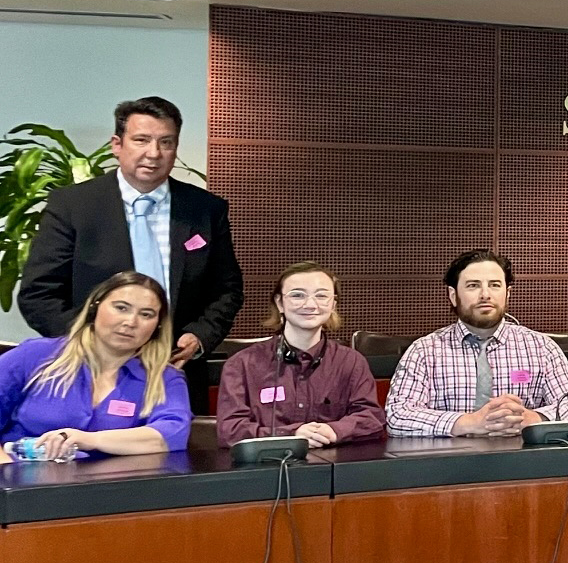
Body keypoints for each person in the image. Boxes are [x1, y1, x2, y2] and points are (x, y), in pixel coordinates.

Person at [20, 96, 243, 367]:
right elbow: (39, 294)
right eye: (141, 140)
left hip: (176, 367)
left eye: (166, 142)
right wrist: (91, 344)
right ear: (117, 145)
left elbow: (226, 289)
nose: (154, 153)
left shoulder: (205, 209)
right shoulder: (73, 206)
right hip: (91, 367)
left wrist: (200, 335)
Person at [385, 250, 568, 437]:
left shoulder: (541, 347)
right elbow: (397, 415)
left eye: (495, 285)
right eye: (473, 285)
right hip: (446, 465)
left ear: (507, 294)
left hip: (524, 461)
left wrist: (532, 419)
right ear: (453, 296)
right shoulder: (425, 351)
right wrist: (470, 422)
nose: (485, 294)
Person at [0, 272, 191, 461]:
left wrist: (91, 440)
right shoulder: (35, 355)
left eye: (146, 314)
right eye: (121, 308)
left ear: (158, 325)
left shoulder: (165, 378)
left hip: (111, 487)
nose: (131, 322)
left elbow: (171, 435)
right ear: (94, 308)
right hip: (17, 480)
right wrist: (6, 470)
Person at [216, 262, 385, 447]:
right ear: (279, 303)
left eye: (321, 296)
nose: (310, 304)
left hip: (333, 469)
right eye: (298, 295)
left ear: (333, 304)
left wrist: (335, 430)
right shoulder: (241, 364)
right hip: (266, 468)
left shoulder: (352, 362)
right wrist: (291, 434)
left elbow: (372, 418)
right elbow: (230, 430)